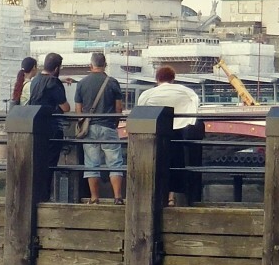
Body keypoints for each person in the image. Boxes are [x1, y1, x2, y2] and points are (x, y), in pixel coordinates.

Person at [134, 64, 201, 204]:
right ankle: (172, 196)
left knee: (156, 164)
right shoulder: (185, 91)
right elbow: (195, 102)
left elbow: (140, 110)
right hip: (178, 131)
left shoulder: (148, 94)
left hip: (155, 133)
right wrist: (189, 119)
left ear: (157, 78)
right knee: (176, 164)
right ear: (173, 78)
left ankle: (156, 195)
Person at [74, 50, 125, 204]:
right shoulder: (112, 82)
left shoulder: (82, 83)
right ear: (105, 65)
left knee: (91, 163)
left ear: (91, 65)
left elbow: (78, 110)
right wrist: (114, 124)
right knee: (115, 162)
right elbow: (119, 108)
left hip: (89, 128)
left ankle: (94, 198)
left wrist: (83, 123)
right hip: (108, 125)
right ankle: (117, 197)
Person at [27, 51, 70, 186]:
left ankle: (37, 191)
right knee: (50, 162)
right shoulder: (54, 83)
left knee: (38, 162)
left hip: (36, 126)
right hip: (52, 128)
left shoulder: (35, 81)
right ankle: (45, 192)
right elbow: (66, 107)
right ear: (56, 68)